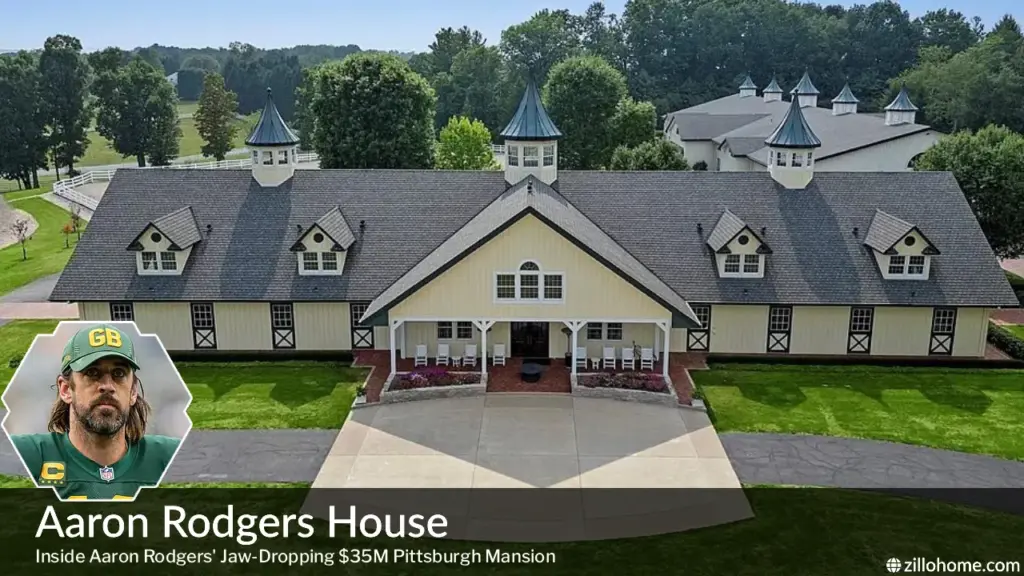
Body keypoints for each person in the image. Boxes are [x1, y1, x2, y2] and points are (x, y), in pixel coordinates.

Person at [10, 324, 180, 500]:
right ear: (66, 389)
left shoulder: (167, 456)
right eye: (92, 372)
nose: (107, 386)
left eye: (119, 373)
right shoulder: (29, 454)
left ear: (133, 391)